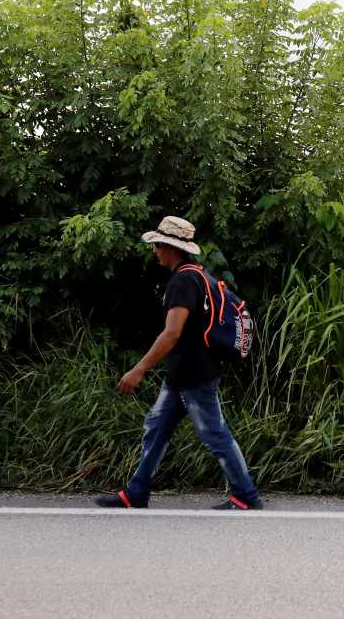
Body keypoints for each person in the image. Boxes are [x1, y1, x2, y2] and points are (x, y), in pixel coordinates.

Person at [94, 216, 262, 510]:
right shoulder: (198, 274)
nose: (155, 250)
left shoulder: (183, 281)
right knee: (156, 428)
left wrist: (139, 369)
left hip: (194, 375)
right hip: (182, 374)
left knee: (214, 433)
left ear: (172, 248)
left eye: (159, 245)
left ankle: (246, 495)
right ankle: (136, 493)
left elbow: (172, 333)